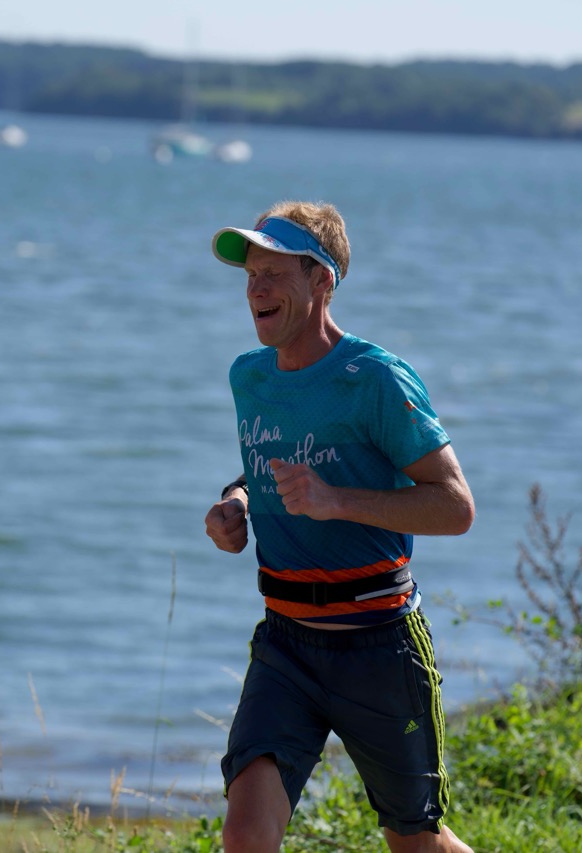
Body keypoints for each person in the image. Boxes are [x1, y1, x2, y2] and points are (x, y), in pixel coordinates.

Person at [203, 201, 475, 853]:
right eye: (251, 276)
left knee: (417, 844)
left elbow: (455, 505)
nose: (256, 289)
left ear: (321, 280)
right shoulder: (250, 376)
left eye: (274, 273)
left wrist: (338, 501)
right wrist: (236, 502)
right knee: (244, 835)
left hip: (380, 645)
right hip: (286, 644)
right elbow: (262, 469)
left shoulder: (374, 378)